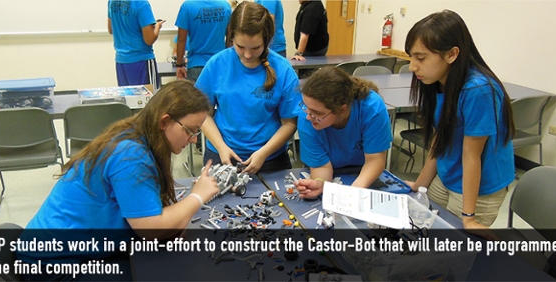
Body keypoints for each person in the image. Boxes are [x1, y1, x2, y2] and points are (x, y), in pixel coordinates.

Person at [16, 81, 220, 280]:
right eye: (190, 130)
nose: (194, 139)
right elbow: (150, 228)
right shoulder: (131, 156)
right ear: (164, 121)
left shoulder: (134, 136)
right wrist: (197, 196)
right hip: (51, 267)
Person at [403, 10, 515, 240]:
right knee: (425, 235)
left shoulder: (478, 90)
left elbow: (471, 155)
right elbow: (440, 138)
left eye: (420, 58)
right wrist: (420, 185)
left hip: (478, 188)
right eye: (411, 57)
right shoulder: (439, 82)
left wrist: (469, 217)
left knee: (451, 251)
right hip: (447, 174)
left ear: (452, 54)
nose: (412, 66)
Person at [195, 1, 300, 174]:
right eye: (240, 47)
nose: (248, 55)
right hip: (221, 155)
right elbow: (202, 114)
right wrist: (221, 147)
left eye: (256, 48)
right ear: (231, 37)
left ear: (267, 40)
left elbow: (289, 123)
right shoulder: (217, 64)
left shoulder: (282, 69)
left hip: (270, 159)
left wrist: (264, 153)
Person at [294, 67, 392, 198]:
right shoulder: (307, 119)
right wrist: (320, 183)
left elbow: (375, 159)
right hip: (332, 171)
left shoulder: (371, 108)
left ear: (341, 110)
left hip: (363, 170)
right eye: (306, 108)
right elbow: (321, 167)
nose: (308, 116)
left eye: (317, 113)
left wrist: (351, 194)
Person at [108, 0, 164, 89]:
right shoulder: (141, 3)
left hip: (121, 61)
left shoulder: (112, 1)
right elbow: (149, 39)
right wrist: (157, 26)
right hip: (141, 60)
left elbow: (111, 29)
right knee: (150, 99)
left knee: (129, 99)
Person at [175, 0, 232, 82]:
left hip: (196, 65)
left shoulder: (187, 6)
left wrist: (179, 64)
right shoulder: (225, 6)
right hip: (220, 63)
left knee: (197, 94)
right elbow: (230, 39)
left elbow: (181, 39)